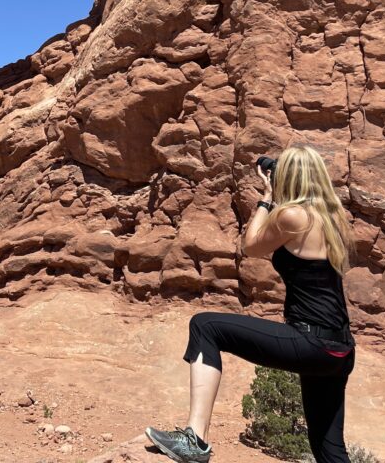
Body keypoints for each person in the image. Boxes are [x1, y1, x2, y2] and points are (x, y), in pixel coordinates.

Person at [145, 144, 358, 463]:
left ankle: (195, 439)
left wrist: (266, 196)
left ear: (288, 176)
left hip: (311, 342)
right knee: (329, 448)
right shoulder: (333, 217)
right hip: (339, 349)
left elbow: (251, 246)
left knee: (205, 326)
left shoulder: (292, 215)